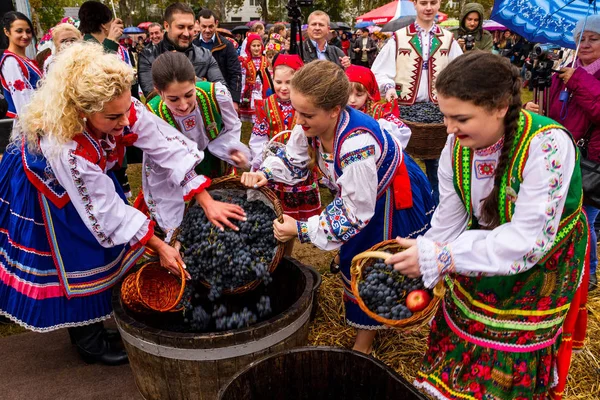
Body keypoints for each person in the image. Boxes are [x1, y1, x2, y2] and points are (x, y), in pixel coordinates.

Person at [0, 42, 245, 365]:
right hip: (48, 186)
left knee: (108, 244)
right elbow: (105, 209)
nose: (123, 123)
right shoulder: (65, 145)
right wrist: (159, 245)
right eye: (113, 118)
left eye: (125, 111)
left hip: (89, 174)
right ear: (82, 111)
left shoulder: (118, 104)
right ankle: (88, 339)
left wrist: (203, 197)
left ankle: (95, 323)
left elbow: (163, 143)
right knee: (76, 254)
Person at [386, 52, 588, 400]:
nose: (449, 129)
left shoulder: (549, 145)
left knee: (510, 344)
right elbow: (449, 219)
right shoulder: (457, 145)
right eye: (445, 116)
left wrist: (443, 257)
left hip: (542, 259)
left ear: (499, 107)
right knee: (464, 321)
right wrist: (426, 260)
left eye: (460, 118)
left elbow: (528, 241)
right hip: (481, 249)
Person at [241, 61, 432, 354]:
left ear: (334, 110)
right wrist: (265, 173)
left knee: (373, 261)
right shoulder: (312, 124)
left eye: (306, 114)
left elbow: (356, 212)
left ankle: (366, 340)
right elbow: (294, 161)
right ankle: (368, 323)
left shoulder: (356, 145)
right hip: (362, 194)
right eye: (296, 110)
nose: (299, 120)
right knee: (355, 255)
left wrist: (302, 229)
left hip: (387, 196)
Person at [525, 15, 600, 291]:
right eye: (582, 38)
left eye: (594, 38)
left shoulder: (576, 76)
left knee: (584, 217)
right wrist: (536, 112)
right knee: (560, 212)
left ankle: (587, 273)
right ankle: (559, 266)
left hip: (591, 161)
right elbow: (553, 112)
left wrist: (578, 80)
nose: (587, 44)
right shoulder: (566, 71)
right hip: (561, 154)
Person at [372, 0, 462, 205]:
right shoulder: (399, 37)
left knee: (439, 166)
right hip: (404, 111)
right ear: (415, 4)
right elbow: (380, 71)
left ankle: (440, 208)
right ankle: (407, 207)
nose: (428, 7)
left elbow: (460, 71)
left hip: (438, 112)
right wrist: (388, 88)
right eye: (423, 2)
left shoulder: (448, 39)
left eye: (433, 2)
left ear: (439, 4)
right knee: (403, 165)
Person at [249, 55, 321, 254]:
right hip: (274, 172)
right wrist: (262, 159)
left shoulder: (306, 106)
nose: (283, 87)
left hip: (299, 170)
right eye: (278, 81)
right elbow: (259, 135)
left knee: (289, 220)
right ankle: (269, 252)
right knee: (271, 215)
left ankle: (286, 254)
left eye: (289, 82)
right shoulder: (265, 105)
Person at [138, 2, 225, 98]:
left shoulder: (205, 55)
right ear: (167, 26)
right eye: (181, 27)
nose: (186, 33)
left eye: (190, 27)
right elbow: (153, 97)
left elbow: (222, 93)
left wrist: (191, 77)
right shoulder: (148, 55)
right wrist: (204, 84)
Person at [194, 9, 242, 111]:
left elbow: (235, 73)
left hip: (222, 96)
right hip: (198, 97)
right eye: (204, 26)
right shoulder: (192, 45)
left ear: (216, 23)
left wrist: (235, 100)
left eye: (211, 26)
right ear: (198, 24)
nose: (207, 30)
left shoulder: (226, 45)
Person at [0, 12, 41, 118]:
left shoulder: (24, 60)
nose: (25, 36)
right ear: (7, 31)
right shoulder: (10, 61)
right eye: (19, 31)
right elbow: (22, 98)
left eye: (28, 31)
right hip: (31, 121)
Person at [239, 34, 272, 122]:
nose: (257, 48)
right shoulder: (244, 62)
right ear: (249, 47)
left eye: (258, 45)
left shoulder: (266, 60)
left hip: (263, 93)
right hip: (249, 94)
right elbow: (242, 80)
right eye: (254, 46)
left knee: (262, 118)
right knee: (247, 122)